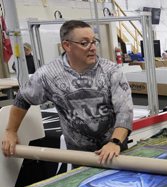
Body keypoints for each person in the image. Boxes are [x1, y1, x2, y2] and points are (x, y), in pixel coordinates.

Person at [1, 20, 133, 164]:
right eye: (85, 43)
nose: (93, 48)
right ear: (67, 45)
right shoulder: (49, 75)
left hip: (114, 152)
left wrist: (115, 142)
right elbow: (23, 98)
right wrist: (11, 131)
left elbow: (124, 111)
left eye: (94, 41)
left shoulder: (110, 71)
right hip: (78, 157)